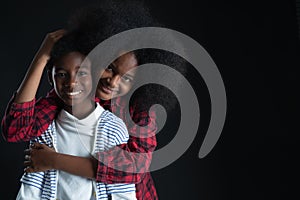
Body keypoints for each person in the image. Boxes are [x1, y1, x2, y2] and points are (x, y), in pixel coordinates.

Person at [1, 0, 186, 199]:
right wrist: (42, 57)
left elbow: (132, 169)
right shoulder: (70, 95)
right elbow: (15, 130)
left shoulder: (139, 111)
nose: (113, 81)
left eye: (126, 78)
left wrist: (54, 160)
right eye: (110, 68)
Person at [13, 29, 139, 199]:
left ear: (94, 74)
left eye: (82, 73)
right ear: (51, 79)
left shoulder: (114, 128)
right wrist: (42, 56)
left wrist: (53, 160)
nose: (72, 83)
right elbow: (31, 188)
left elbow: (123, 185)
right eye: (62, 75)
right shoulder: (45, 128)